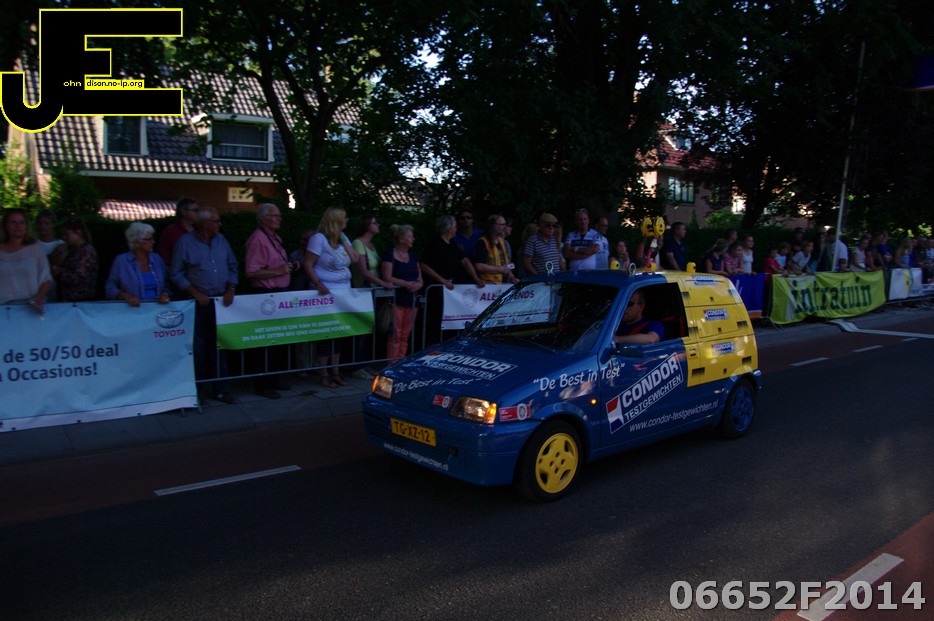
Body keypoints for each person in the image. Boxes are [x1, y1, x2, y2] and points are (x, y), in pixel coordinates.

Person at [171, 206, 239, 404]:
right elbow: (176, 273)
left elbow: (233, 266)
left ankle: (221, 389)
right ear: (204, 224)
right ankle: (197, 391)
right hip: (198, 303)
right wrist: (195, 292)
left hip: (221, 302)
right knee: (198, 348)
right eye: (216, 221)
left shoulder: (221, 240)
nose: (219, 224)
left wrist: (231, 288)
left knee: (219, 345)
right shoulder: (185, 243)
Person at [244, 203, 295, 399]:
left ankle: (274, 378)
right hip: (265, 296)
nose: (279, 218)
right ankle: (262, 384)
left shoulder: (275, 238)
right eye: (275, 216)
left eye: (279, 215)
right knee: (265, 340)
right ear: (263, 218)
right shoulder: (258, 239)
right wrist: (278, 271)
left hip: (279, 294)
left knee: (278, 339)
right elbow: (251, 271)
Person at [304, 207, 359, 388]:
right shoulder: (318, 239)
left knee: (339, 333)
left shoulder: (343, 238)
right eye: (344, 218)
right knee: (327, 333)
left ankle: (335, 371)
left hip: (343, 292)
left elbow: (355, 259)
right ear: (336, 220)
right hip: (326, 293)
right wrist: (318, 283)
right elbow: (308, 263)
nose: (347, 220)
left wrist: (343, 241)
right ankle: (324, 373)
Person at [350, 214, 392, 379]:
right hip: (362, 292)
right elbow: (362, 270)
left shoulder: (372, 245)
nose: (378, 225)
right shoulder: (358, 243)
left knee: (368, 331)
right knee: (361, 331)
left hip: (373, 292)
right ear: (367, 225)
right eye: (375, 222)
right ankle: (356, 366)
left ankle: (364, 364)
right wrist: (382, 283)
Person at [381, 224, 423, 359]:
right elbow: (387, 276)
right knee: (395, 334)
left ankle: (399, 362)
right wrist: (405, 284)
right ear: (401, 239)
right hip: (396, 299)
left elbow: (420, 279)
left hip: (412, 300)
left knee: (405, 335)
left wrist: (417, 285)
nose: (413, 239)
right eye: (410, 236)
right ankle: (392, 364)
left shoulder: (413, 256)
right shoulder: (389, 254)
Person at [104, 222, 171, 306]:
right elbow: (110, 287)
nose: (153, 242)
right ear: (137, 242)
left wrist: (164, 295)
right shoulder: (121, 261)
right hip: (132, 310)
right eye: (149, 239)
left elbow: (166, 285)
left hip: (157, 309)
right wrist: (126, 296)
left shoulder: (157, 259)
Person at [0, 208, 52, 312]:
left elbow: (46, 279)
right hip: (4, 308)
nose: (18, 226)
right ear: (6, 225)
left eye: (21, 222)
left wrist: (38, 300)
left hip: (32, 307)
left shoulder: (35, 248)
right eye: (13, 222)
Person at [54, 217, 99, 301]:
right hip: (70, 299)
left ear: (78, 233)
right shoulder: (74, 250)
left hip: (81, 300)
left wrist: (58, 272)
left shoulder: (86, 252)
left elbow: (76, 278)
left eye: (66, 234)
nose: (64, 238)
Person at [474, 214, 519, 284]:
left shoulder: (502, 241)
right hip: (489, 285)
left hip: (502, 284)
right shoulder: (482, 242)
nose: (505, 227)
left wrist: (512, 277)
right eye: (502, 224)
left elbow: (506, 262)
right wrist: (499, 269)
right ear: (493, 226)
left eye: (505, 224)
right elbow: (479, 266)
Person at [34, 209, 67, 300]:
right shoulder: (32, 243)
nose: (42, 226)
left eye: (46, 223)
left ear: (52, 225)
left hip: (52, 285)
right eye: (40, 223)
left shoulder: (60, 245)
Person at [157, 196, 198, 267]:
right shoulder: (171, 232)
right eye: (195, 210)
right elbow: (164, 257)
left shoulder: (199, 231)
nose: (198, 213)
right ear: (184, 212)